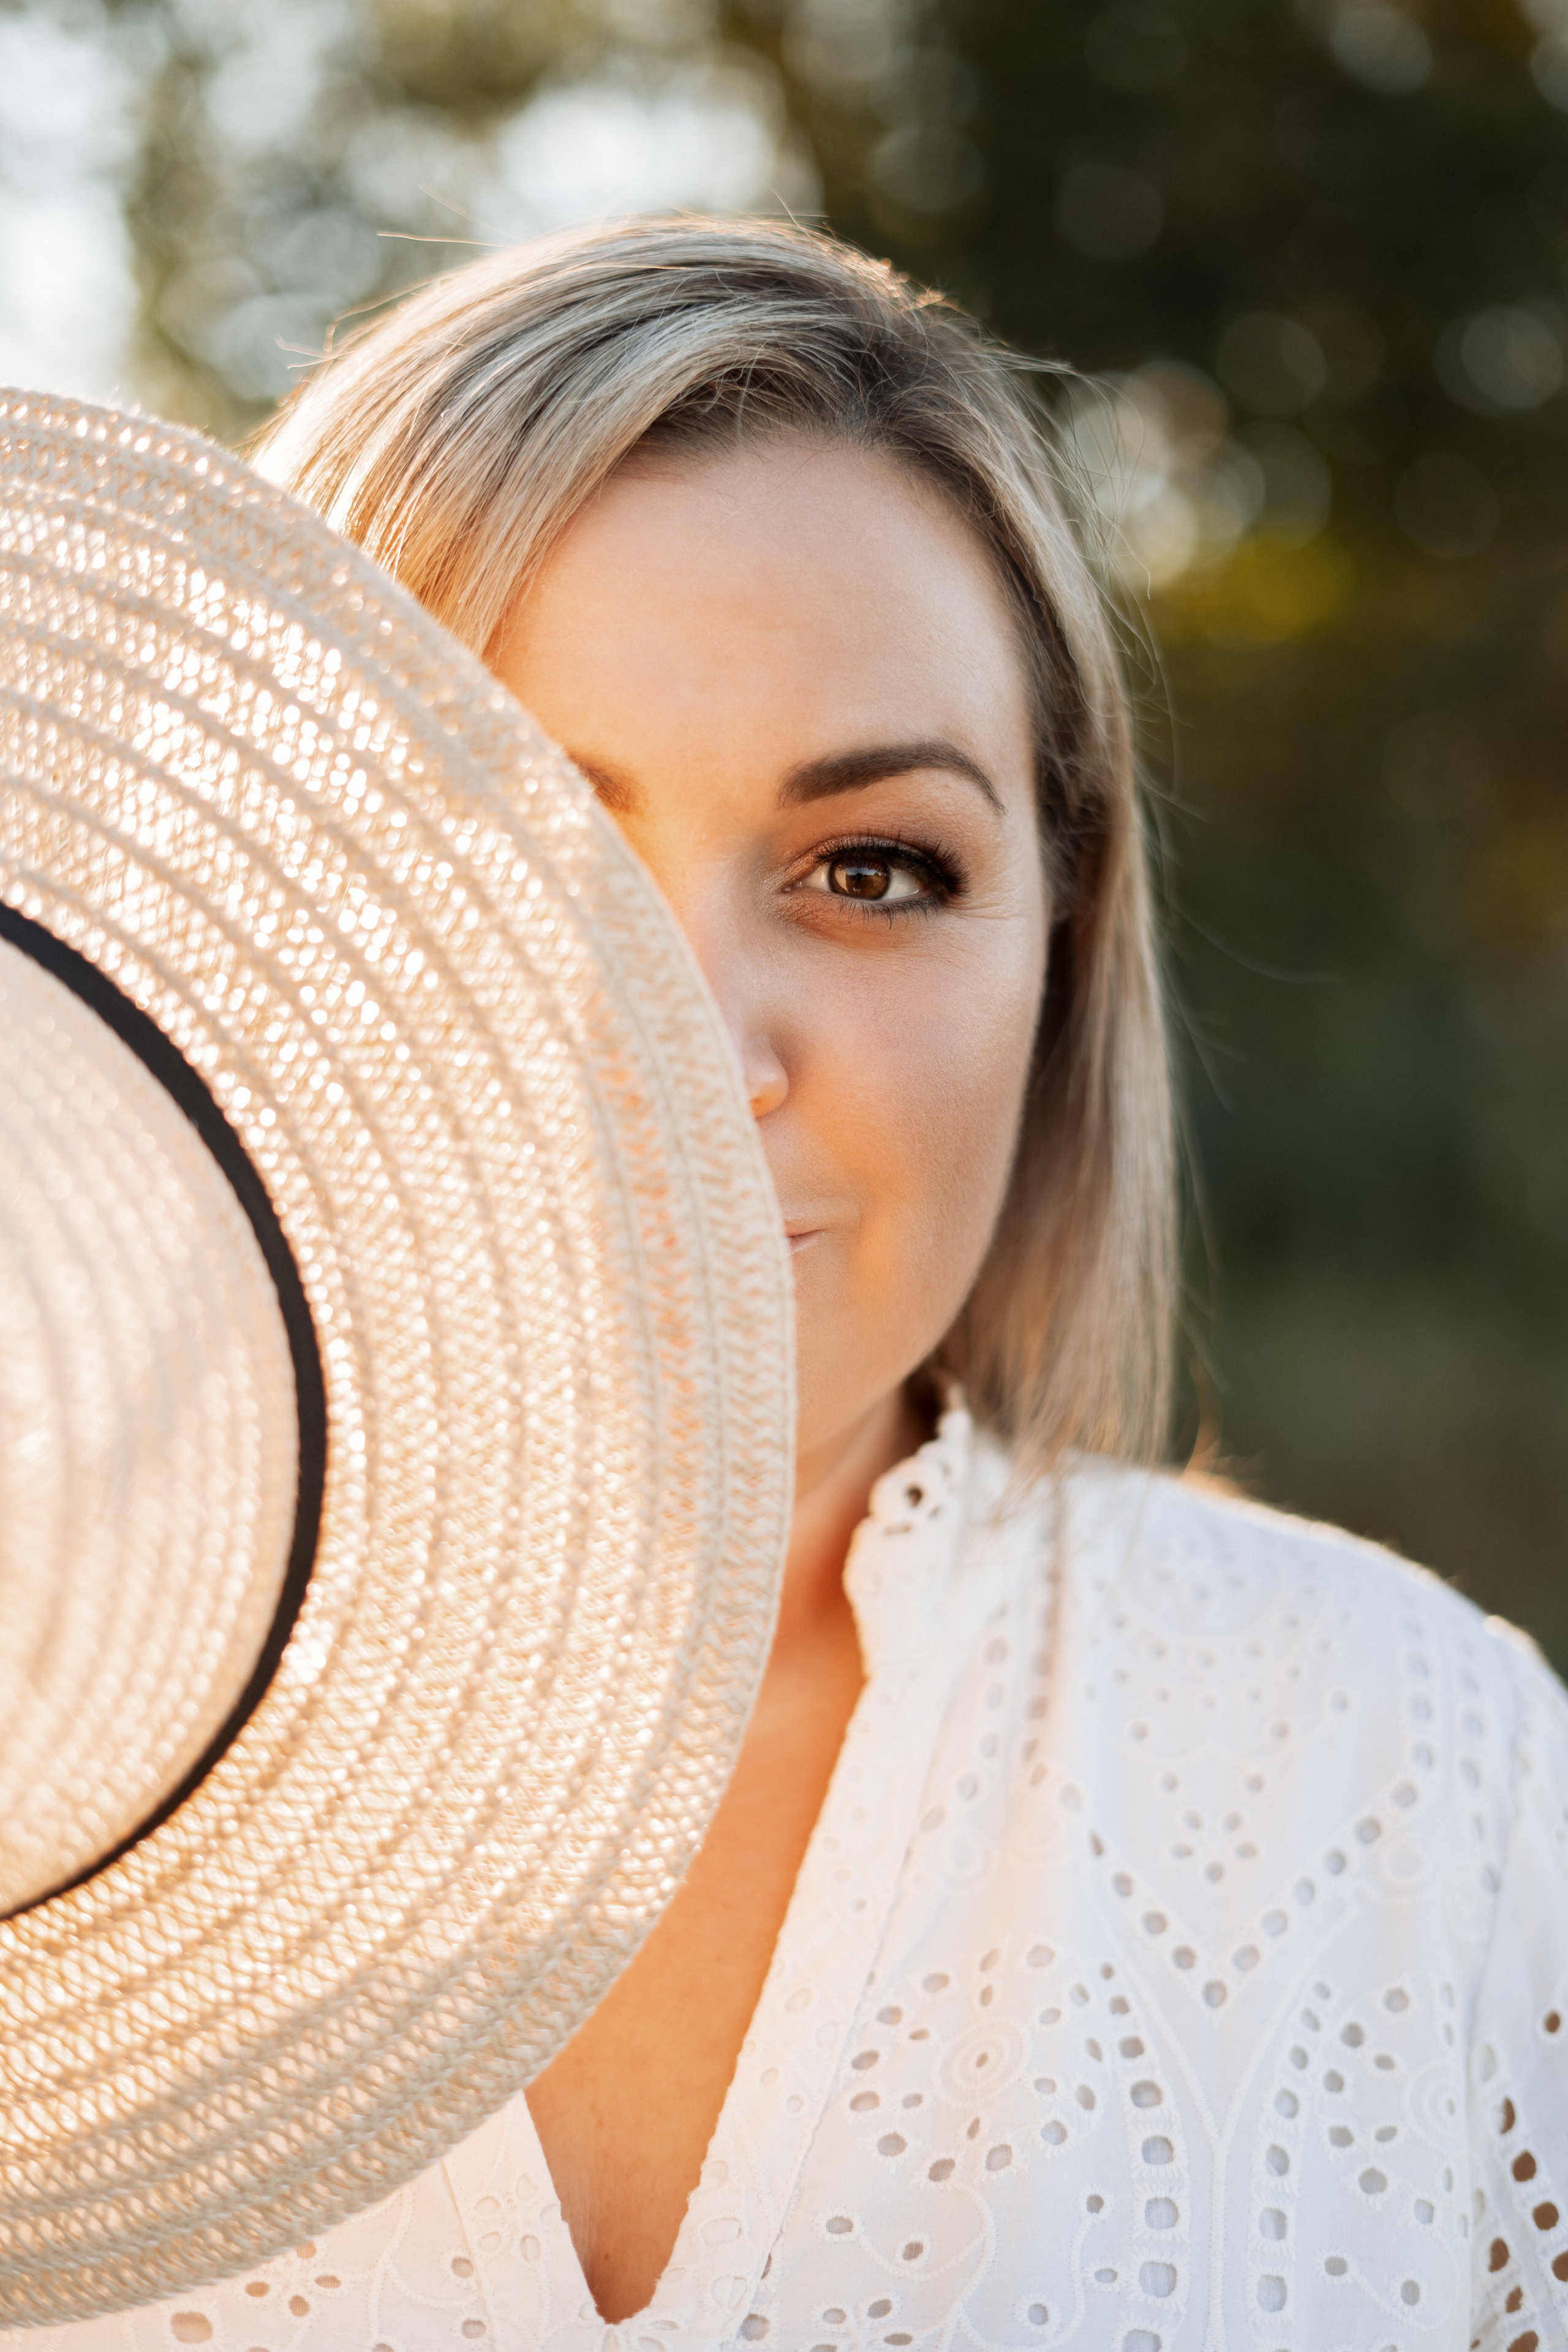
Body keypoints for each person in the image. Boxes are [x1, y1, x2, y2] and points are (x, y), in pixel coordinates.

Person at [37, 215, 1568, 2351]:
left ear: (1056, 951)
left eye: (873, 871)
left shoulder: (1434, 1797)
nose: (691, 1061)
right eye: (516, 847)